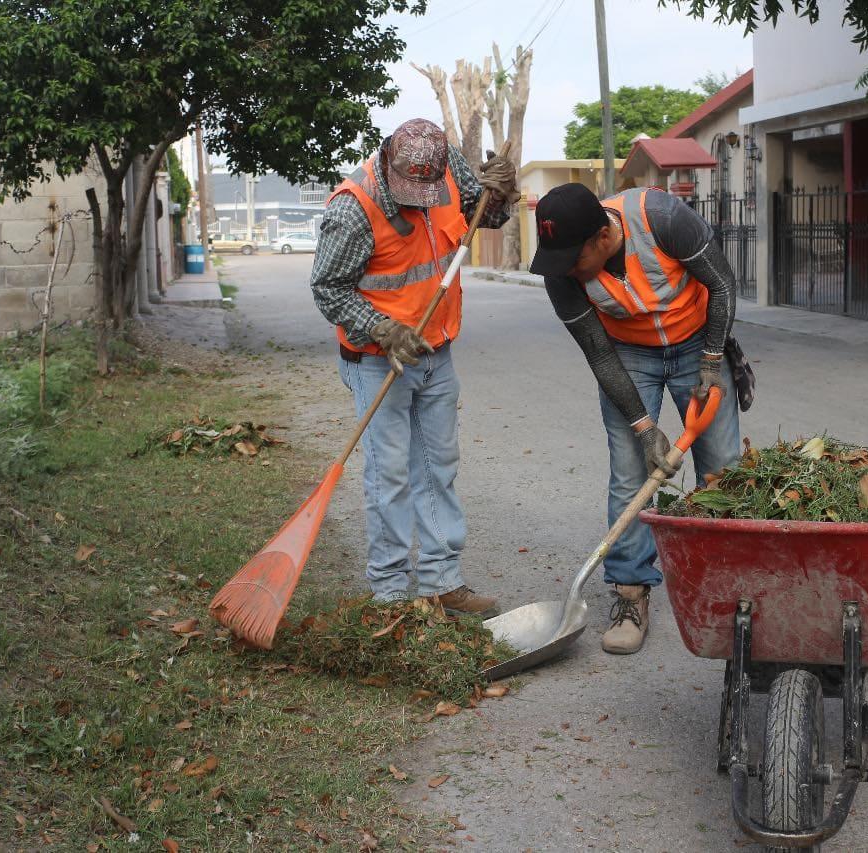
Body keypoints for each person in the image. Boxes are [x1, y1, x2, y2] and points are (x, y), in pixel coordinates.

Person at [529, 182, 753, 654]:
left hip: (698, 340)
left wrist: (712, 361)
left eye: (573, 258)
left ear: (601, 239)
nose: (565, 269)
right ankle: (631, 595)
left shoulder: (662, 218)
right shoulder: (561, 272)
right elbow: (598, 353)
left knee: (723, 468)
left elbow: (722, 283)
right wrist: (644, 428)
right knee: (631, 472)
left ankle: (734, 589)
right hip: (628, 354)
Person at [309, 118, 517, 613]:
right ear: (386, 160)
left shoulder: (446, 169)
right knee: (390, 477)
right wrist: (382, 329)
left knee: (438, 469)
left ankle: (441, 581)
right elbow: (327, 288)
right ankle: (391, 593)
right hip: (378, 361)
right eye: (410, 192)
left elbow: (481, 216)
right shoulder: (353, 208)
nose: (421, 200)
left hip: (436, 352)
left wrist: (502, 196)